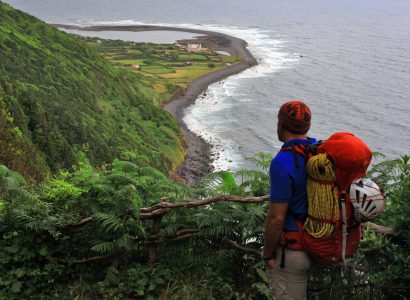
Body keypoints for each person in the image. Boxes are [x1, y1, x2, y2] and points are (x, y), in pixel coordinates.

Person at [263, 100, 317, 300]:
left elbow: (277, 219)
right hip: (316, 242)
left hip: (292, 251)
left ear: (280, 125)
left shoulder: (282, 162)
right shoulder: (317, 150)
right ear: (307, 126)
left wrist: (268, 254)